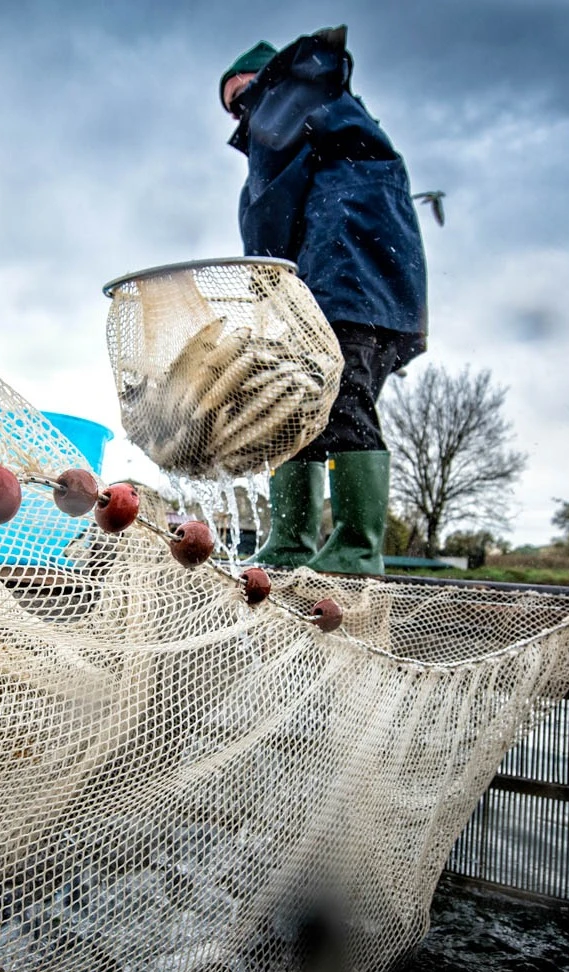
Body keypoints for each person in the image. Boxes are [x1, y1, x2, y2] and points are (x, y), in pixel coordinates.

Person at [222, 28, 428, 575]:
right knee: (298, 409)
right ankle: (291, 542)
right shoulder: (327, 120)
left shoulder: (287, 105)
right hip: (364, 282)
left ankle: (357, 549)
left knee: (340, 399)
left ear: (263, 82)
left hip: (348, 279)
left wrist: (263, 284)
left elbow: (267, 222)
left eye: (241, 98)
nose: (240, 116)